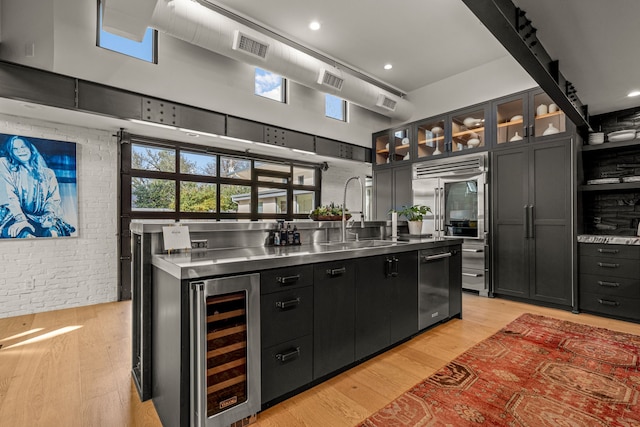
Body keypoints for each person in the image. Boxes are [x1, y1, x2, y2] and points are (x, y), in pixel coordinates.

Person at [0, 135, 75, 238]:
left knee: (53, 233)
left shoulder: (48, 173)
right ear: (11, 152)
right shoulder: (5, 165)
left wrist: (48, 214)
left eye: (23, 147)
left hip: (41, 218)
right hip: (15, 216)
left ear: (30, 148)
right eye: (15, 149)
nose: (20, 151)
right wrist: (21, 219)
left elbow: (52, 198)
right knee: (22, 234)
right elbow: (9, 195)